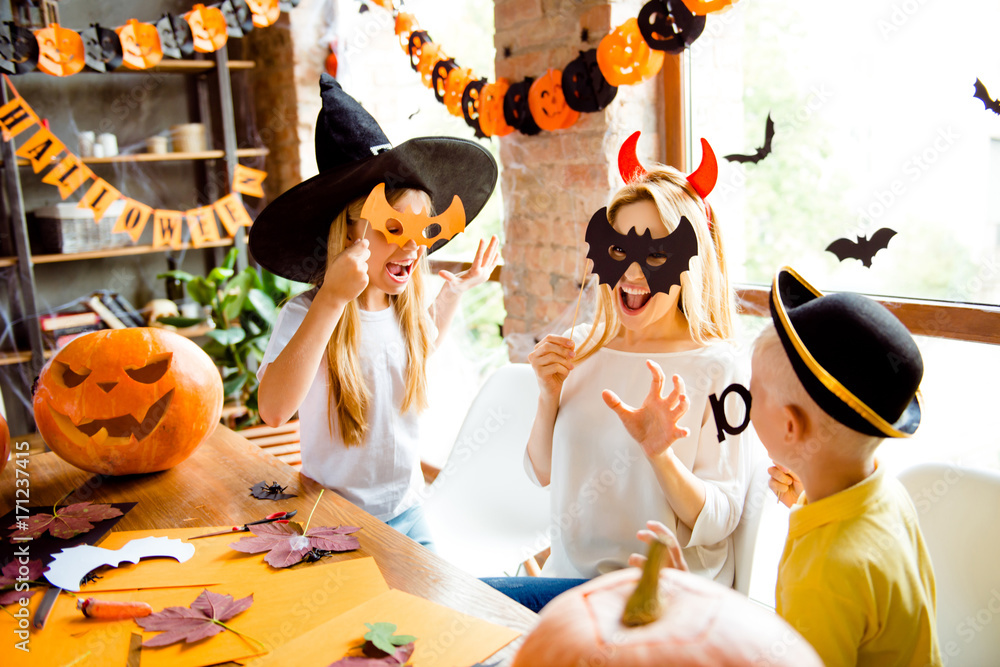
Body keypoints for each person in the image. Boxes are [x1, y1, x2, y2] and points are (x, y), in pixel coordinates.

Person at [484, 137, 754, 612]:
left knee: (466, 612)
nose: (631, 271)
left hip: (656, 598)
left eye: (653, 255)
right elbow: (540, 473)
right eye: (620, 249)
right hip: (569, 585)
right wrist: (548, 395)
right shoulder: (584, 346)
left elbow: (723, 517)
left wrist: (661, 454)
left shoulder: (721, 369)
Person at [634, 266, 941, 666]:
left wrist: (687, 618)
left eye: (752, 391)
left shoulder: (825, 573)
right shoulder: (883, 494)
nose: (743, 400)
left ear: (790, 427)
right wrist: (808, 497)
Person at [250, 75, 499, 548]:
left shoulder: (403, 311)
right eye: (391, 228)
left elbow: (420, 347)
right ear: (346, 234)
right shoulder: (307, 315)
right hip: (335, 519)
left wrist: (457, 292)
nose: (410, 246)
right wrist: (331, 300)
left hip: (409, 509)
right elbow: (274, 409)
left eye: (421, 231)